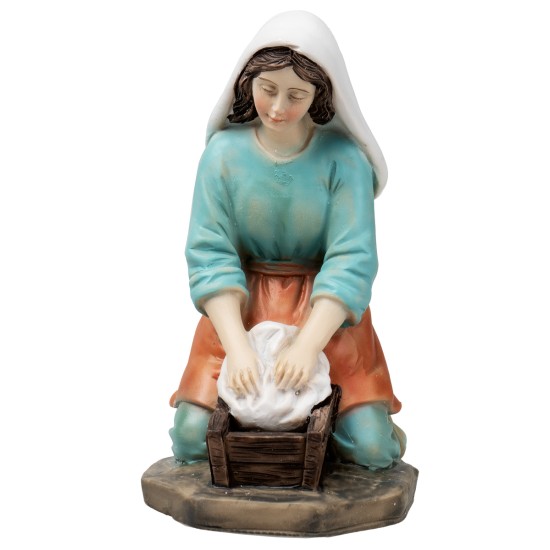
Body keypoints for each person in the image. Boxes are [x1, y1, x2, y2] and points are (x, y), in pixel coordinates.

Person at [169, 11, 406, 470]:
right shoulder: (222, 157)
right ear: (247, 84)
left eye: (296, 95)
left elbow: (352, 259)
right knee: (192, 440)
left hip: (325, 314)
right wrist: (238, 347)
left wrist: (307, 345)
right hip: (240, 309)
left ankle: (327, 439)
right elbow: (209, 253)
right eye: (267, 89)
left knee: (372, 450)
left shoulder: (345, 162)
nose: (278, 107)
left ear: (320, 96)